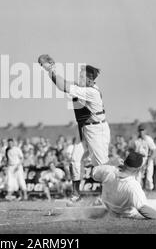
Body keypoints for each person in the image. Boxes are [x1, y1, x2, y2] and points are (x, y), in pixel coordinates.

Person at [41, 61, 111, 202]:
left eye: (82, 76)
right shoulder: (84, 87)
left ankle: (107, 197)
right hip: (86, 129)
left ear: (90, 80)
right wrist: (51, 71)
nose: (79, 78)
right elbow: (63, 83)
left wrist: (50, 69)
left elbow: (63, 86)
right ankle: (76, 195)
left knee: (101, 165)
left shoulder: (91, 92)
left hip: (97, 130)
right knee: (75, 159)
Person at [92, 152, 156, 221]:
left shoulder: (109, 170)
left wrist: (111, 162)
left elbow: (94, 173)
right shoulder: (132, 185)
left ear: (124, 162)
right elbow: (144, 210)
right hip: (127, 213)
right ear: (138, 169)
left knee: (143, 200)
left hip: (110, 208)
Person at [133, 124, 156, 190]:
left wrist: (150, 159)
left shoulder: (148, 139)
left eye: (142, 130)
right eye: (140, 130)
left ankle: (149, 189)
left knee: (149, 175)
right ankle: (138, 189)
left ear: (145, 131)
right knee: (138, 175)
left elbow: (154, 150)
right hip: (138, 158)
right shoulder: (136, 140)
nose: (141, 132)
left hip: (147, 157)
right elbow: (131, 149)